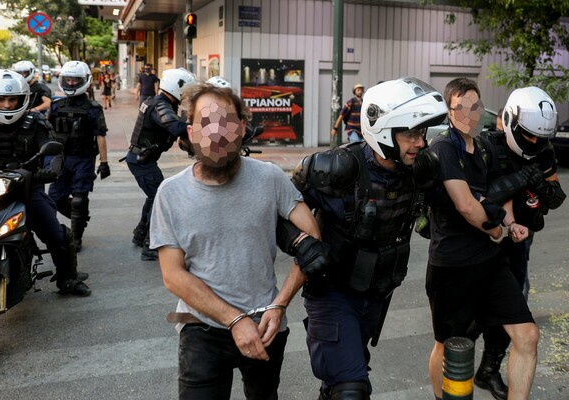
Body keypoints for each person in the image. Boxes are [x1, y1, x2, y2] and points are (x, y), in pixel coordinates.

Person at [149, 82, 320, 400]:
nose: (215, 132)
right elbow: (173, 275)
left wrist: (280, 304)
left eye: (225, 122)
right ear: (190, 131)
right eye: (205, 123)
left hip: (266, 326)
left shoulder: (269, 178)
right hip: (200, 327)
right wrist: (235, 320)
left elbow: (313, 240)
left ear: (242, 127)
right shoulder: (170, 194)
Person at [291, 77, 447, 399]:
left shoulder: (422, 167)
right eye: (410, 133)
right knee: (351, 389)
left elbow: (441, 211)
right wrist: (302, 243)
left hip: (376, 293)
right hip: (332, 291)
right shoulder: (335, 168)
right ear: (383, 130)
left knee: (342, 382)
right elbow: (281, 207)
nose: (420, 142)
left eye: (421, 132)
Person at [425, 77, 538, 400]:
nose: (469, 115)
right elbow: (466, 205)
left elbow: (499, 189)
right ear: (449, 112)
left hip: (490, 263)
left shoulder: (486, 146)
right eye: (460, 108)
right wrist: (497, 231)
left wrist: (512, 222)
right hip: (452, 265)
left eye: (475, 107)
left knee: (527, 335)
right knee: (447, 346)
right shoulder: (443, 148)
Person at [471, 87, 565, 400]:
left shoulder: (545, 150)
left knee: (513, 313)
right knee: (466, 322)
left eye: (541, 137)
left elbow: (556, 197)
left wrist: (543, 187)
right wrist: (520, 181)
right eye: (530, 135)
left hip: (519, 242)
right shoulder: (486, 146)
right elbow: (473, 197)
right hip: (482, 242)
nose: (535, 143)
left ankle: (488, 369)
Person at [0, 69, 90, 296]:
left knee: (56, 234)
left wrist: (50, 170)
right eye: (1, 99)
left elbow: (52, 152)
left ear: (22, 99)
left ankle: (67, 278)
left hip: (25, 187)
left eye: (12, 99)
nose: (6, 105)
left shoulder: (34, 121)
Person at [125, 67, 195, 261]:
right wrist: (201, 126)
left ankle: (140, 234)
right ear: (177, 87)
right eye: (186, 90)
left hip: (141, 160)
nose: (187, 95)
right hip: (142, 162)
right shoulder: (160, 105)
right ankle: (149, 246)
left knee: (153, 197)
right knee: (159, 200)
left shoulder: (160, 102)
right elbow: (174, 126)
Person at [47, 61, 110, 252]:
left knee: (79, 199)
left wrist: (104, 163)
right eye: (68, 79)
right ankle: (80, 216)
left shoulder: (93, 108)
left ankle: (76, 237)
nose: (72, 83)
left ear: (85, 81)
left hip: (83, 158)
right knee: (55, 198)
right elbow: (47, 133)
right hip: (61, 159)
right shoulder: (56, 106)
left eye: (76, 80)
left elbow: (100, 135)